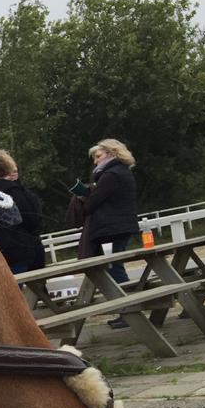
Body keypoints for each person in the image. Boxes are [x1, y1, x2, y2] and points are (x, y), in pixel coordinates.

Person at [70, 139, 140, 327]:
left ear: (111, 153)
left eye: (98, 156)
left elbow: (93, 203)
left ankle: (128, 312)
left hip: (111, 228)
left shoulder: (110, 176)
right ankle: (126, 311)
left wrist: (85, 195)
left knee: (114, 268)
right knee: (113, 267)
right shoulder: (122, 172)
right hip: (120, 226)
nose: (95, 161)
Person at [0, 150, 46, 274]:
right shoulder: (15, 193)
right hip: (21, 254)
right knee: (33, 290)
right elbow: (34, 221)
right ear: (8, 169)